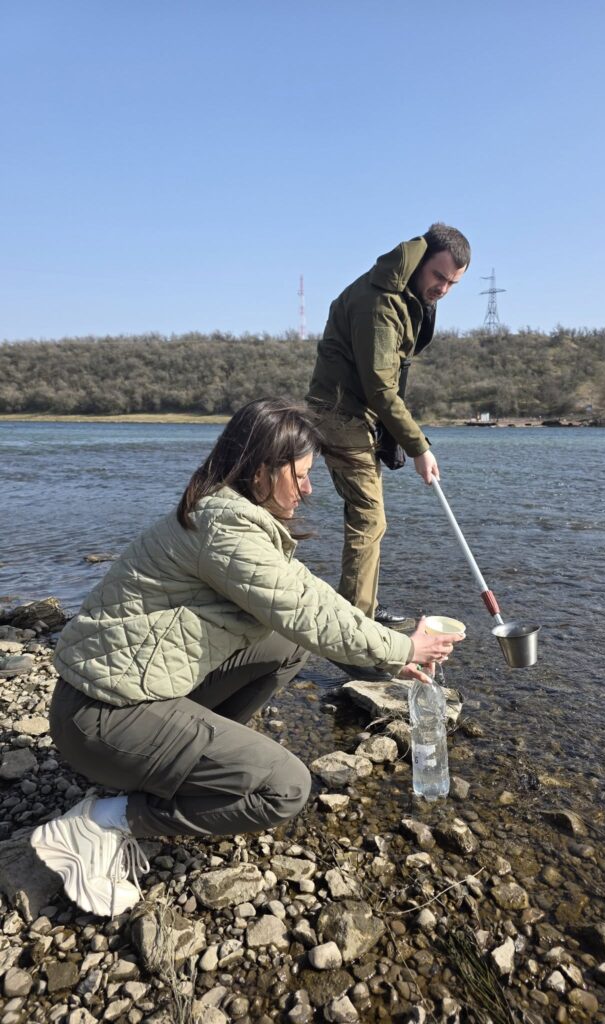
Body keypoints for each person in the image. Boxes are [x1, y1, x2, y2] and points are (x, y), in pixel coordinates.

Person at [30, 399, 464, 918]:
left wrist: (392, 654)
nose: (308, 489)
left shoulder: (230, 515)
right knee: (285, 788)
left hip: (114, 700)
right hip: (101, 719)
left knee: (285, 644)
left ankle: (192, 768)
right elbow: (305, 610)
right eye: (300, 475)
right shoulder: (226, 529)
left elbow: (310, 598)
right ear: (261, 470)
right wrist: (406, 647)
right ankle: (103, 821)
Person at [306, 222, 470, 637]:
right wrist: (418, 447)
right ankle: (355, 629)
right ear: (421, 260)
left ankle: (363, 609)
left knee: (370, 517)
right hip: (340, 415)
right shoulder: (379, 302)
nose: (443, 289)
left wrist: (393, 433)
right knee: (368, 517)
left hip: (358, 415)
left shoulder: (406, 293)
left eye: (452, 284)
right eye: (438, 276)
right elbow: (380, 386)